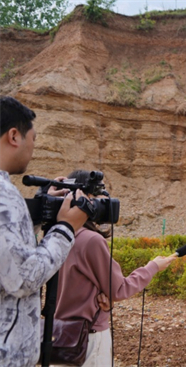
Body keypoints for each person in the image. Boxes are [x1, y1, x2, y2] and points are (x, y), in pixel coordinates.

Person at [51, 169, 177, 367]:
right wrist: (152, 267)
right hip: (88, 338)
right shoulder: (90, 240)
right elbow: (119, 289)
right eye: (97, 199)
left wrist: (97, 295)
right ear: (84, 201)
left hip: (58, 336)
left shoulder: (55, 236)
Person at [0, 96, 89, 367]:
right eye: (33, 138)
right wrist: (65, 228)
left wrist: (43, 210)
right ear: (14, 136)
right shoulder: (3, 198)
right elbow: (24, 279)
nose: (33, 147)